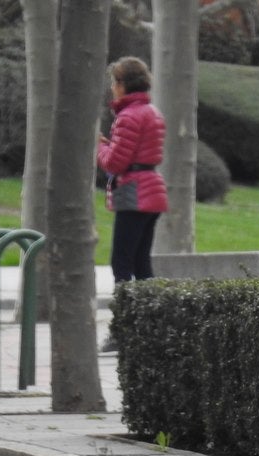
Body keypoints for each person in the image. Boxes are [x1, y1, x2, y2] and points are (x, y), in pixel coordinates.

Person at [97, 56, 167, 286]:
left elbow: (115, 164)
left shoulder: (127, 117)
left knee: (122, 262)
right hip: (152, 188)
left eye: (114, 83)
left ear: (122, 84)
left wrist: (98, 146)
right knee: (141, 262)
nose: (112, 89)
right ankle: (151, 315)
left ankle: (126, 315)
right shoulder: (151, 112)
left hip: (133, 191)